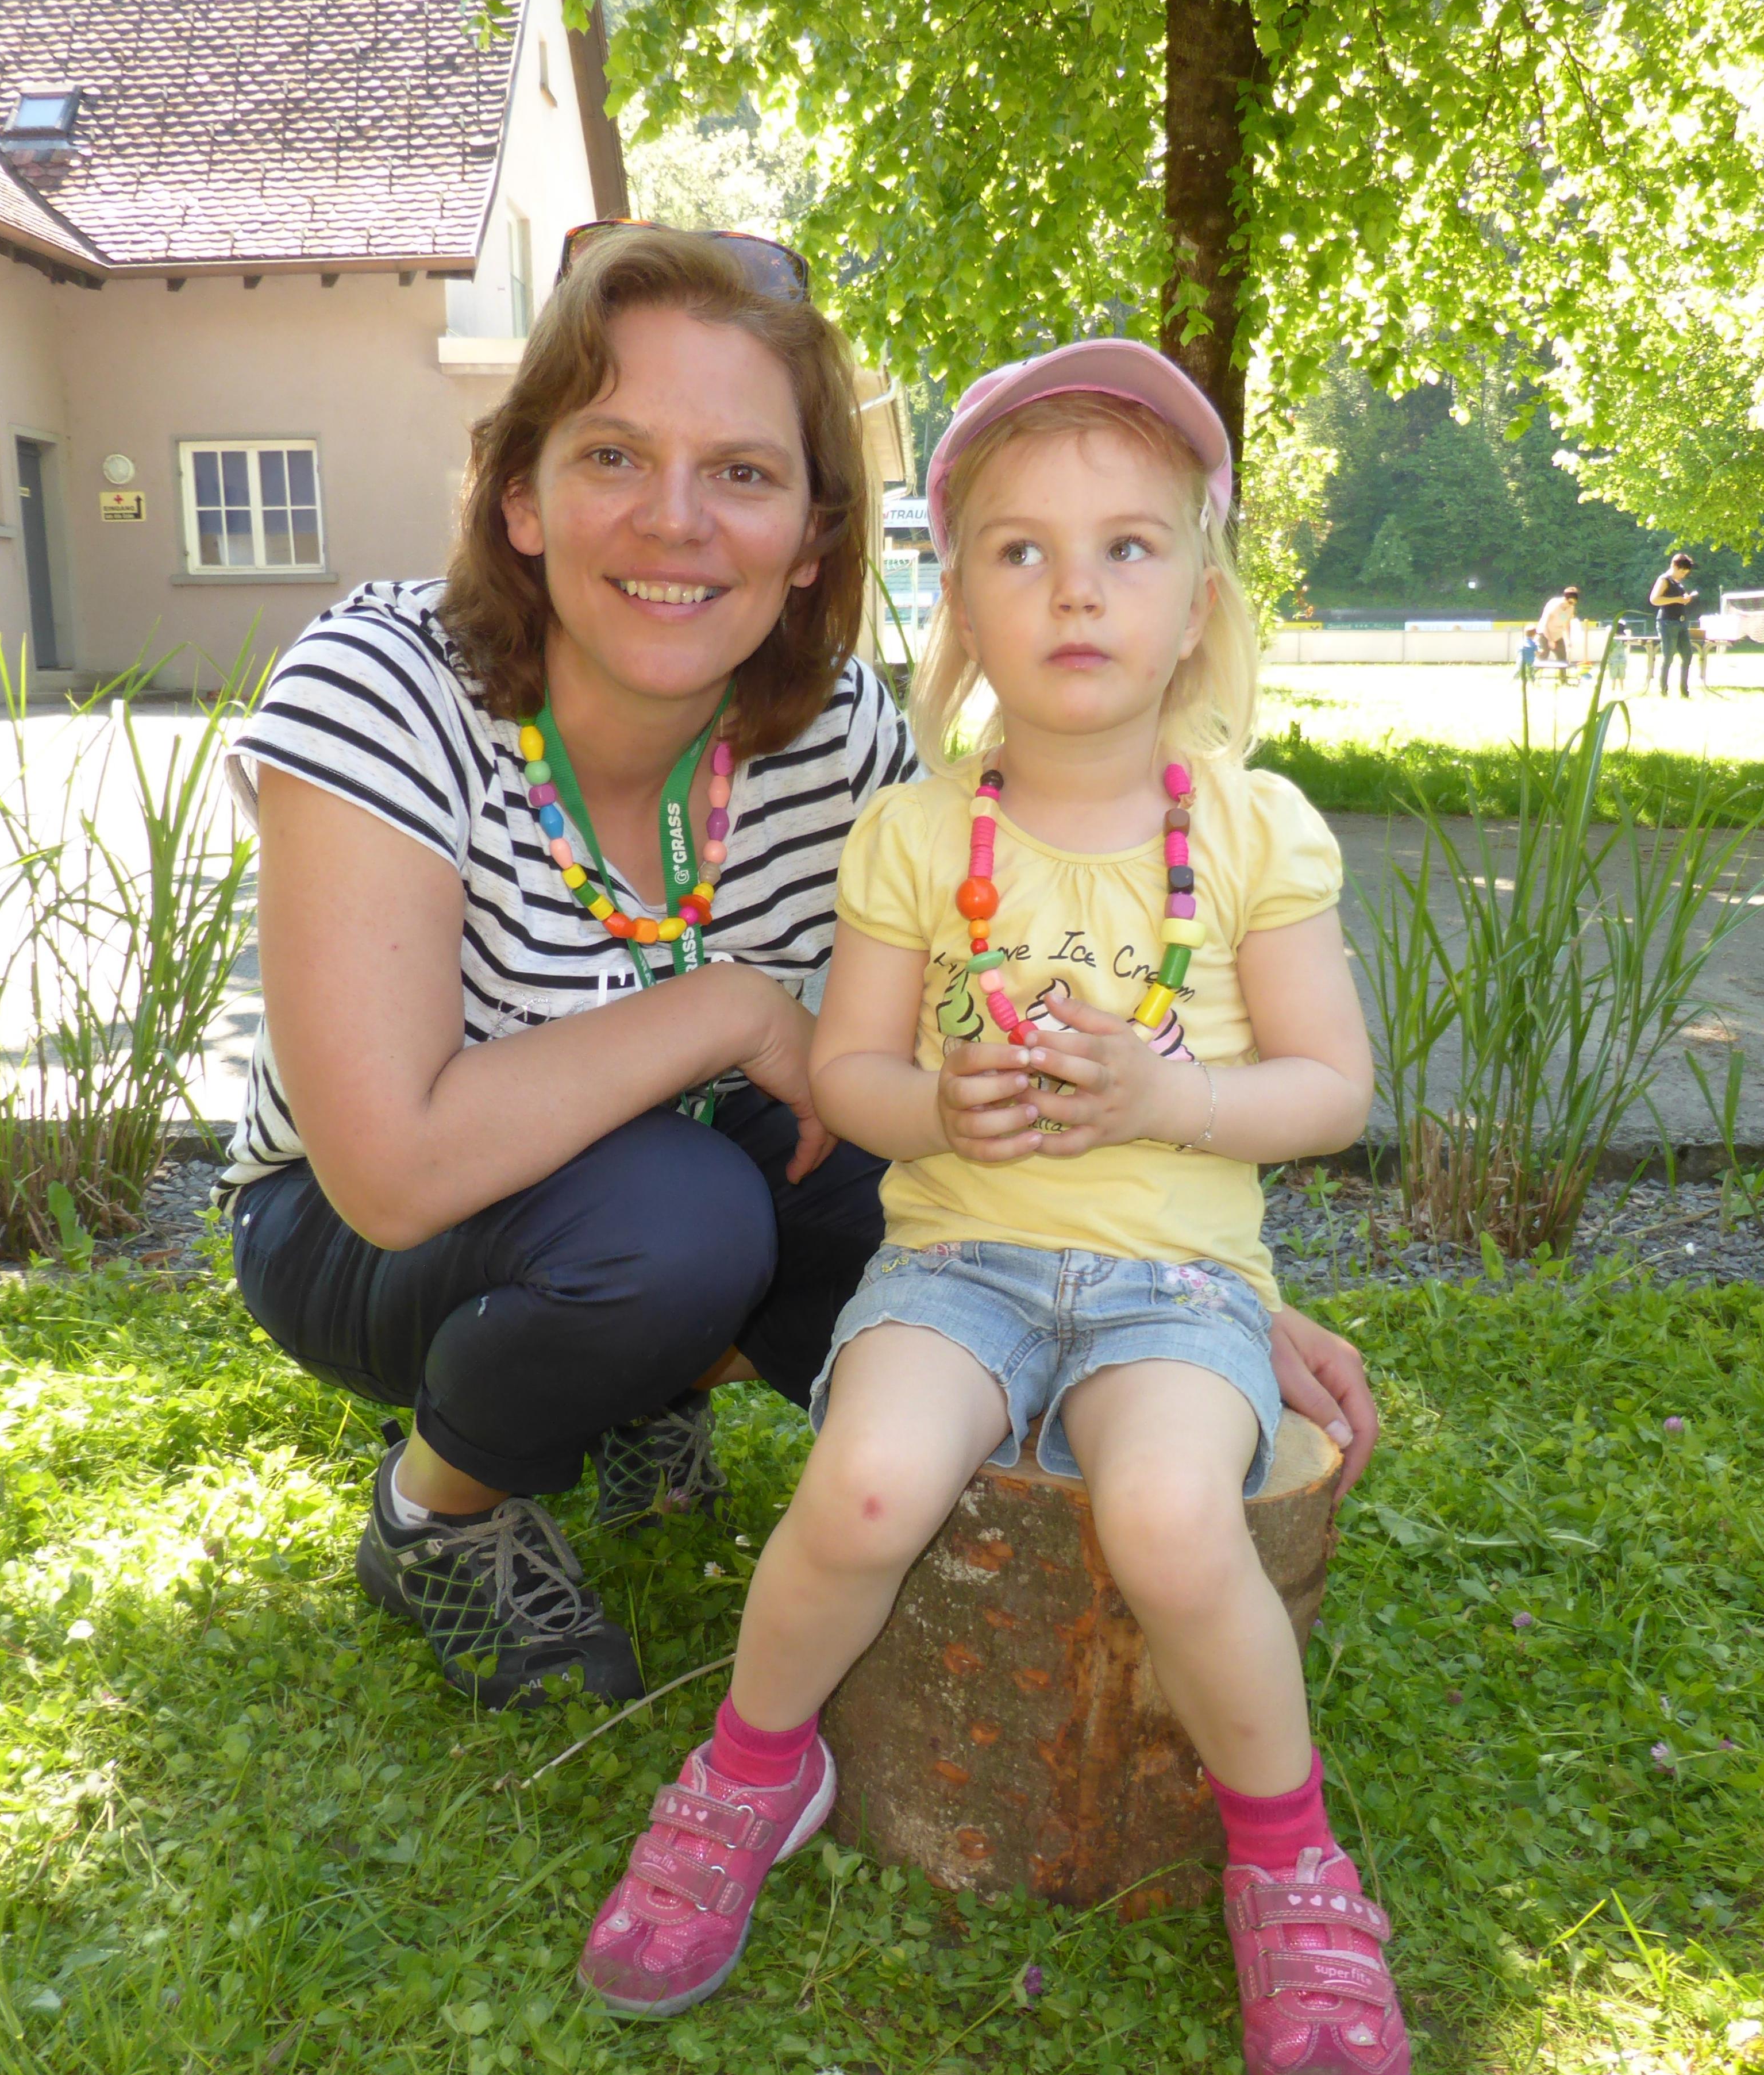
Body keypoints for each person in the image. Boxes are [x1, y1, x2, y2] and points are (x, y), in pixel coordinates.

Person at [224, 229, 1380, 1715]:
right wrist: (727, 1009)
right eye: (614, 456)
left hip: (684, 1161)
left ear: (816, 537)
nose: (677, 521)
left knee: (924, 1232)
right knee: (682, 1222)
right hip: (362, 1227)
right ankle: (436, 1512)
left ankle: (639, 1388)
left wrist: (1190, 1291)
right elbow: (387, 1171)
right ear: (520, 496)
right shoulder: (383, 682)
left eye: (743, 473)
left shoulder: (839, 739)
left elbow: (936, 1088)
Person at [579, 341, 1412, 2075]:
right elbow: (852, 1077)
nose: (1076, 591)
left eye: (1127, 548)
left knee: (1172, 1511)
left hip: (1177, 1286)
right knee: (869, 1480)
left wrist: (1175, 1098)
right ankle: (754, 1770)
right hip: (953, 1269)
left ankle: (1288, 1860)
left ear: (1199, 601)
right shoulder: (914, 833)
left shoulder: (1251, 829)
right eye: (1021, 552)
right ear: (960, 603)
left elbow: (1332, 1089)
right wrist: (939, 1111)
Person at [1650, 552, 1699, 694]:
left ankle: (1684, 691)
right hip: (1667, 623)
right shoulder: (1664, 580)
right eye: (1682, 572)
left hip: (1681, 623)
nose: (1683, 575)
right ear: (1674, 566)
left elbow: (1678, 599)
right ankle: (1663, 690)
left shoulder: (1678, 583)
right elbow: (1654, 600)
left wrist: (1685, 599)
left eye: (1686, 573)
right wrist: (1677, 600)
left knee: (1688, 656)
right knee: (1669, 657)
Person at [1534, 585, 1581, 668]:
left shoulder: (1570, 608)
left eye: (1574, 603)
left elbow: (1566, 624)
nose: (1571, 605)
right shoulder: (1554, 606)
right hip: (1545, 634)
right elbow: (1545, 625)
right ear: (1565, 599)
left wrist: (1568, 640)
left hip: (1558, 636)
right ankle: (1533, 674)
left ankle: (1563, 676)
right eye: (1570, 603)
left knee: (1563, 660)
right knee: (1543, 658)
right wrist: (1550, 640)